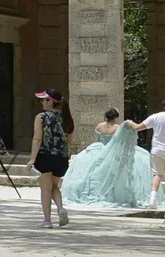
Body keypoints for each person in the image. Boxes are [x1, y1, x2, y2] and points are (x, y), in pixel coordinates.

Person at [62, 108, 154, 207]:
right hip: (113, 150)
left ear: (106, 116)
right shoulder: (118, 127)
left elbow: (98, 139)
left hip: (99, 147)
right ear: (116, 117)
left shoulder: (99, 126)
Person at [32, 89, 74, 228]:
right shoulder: (66, 118)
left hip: (45, 156)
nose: (41, 102)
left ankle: (47, 220)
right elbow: (69, 141)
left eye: (43, 100)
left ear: (50, 102)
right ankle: (60, 208)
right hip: (61, 158)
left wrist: (32, 159)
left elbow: (38, 139)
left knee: (45, 189)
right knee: (54, 186)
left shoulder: (41, 117)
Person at [127, 102, 165, 210]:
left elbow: (138, 127)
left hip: (157, 150)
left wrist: (130, 123)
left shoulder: (155, 117)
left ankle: (152, 199)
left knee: (157, 175)